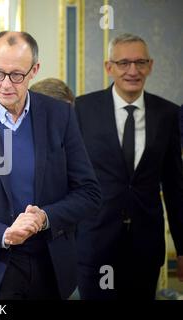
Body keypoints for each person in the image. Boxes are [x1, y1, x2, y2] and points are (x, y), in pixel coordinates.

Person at [0, 31, 101, 300]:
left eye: (16, 75)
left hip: (52, 270)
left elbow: (89, 193)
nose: (5, 84)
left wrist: (44, 218)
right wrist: (4, 234)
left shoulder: (61, 115)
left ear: (34, 70)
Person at [75, 33, 183, 300]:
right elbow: (68, 178)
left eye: (139, 62)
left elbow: (175, 186)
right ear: (108, 67)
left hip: (145, 248)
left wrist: (182, 248)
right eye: (123, 63)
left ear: (150, 65)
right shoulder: (82, 109)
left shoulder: (168, 114)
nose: (132, 71)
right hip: (95, 244)